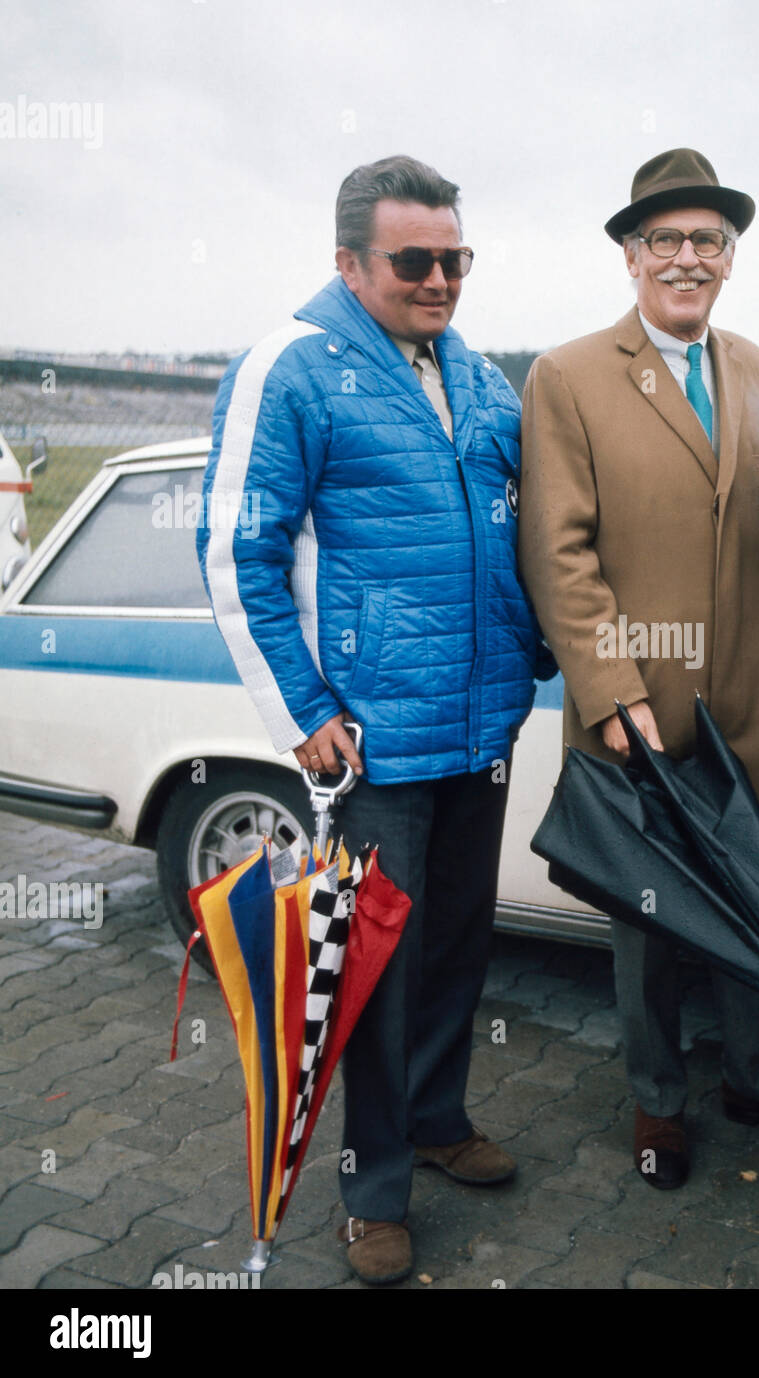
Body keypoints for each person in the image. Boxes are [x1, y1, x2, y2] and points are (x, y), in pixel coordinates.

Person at [199, 155, 551, 1284]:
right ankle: (373, 1186)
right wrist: (303, 712)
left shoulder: (480, 376)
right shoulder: (290, 367)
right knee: (371, 969)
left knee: (457, 943)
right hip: (371, 741)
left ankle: (438, 1120)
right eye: (415, 261)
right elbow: (235, 552)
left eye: (456, 259)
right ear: (348, 261)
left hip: (478, 723)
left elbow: (520, 529)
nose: (440, 280)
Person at [519, 148, 759, 1191]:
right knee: (652, 917)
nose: (685, 257)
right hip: (645, 699)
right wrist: (612, 690)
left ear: (729, 258)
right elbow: (557, 550)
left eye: (706, 240)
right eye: (663, 239)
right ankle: (657, 1102)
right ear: (631, 256)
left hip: (754, 690)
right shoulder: (566, 374)